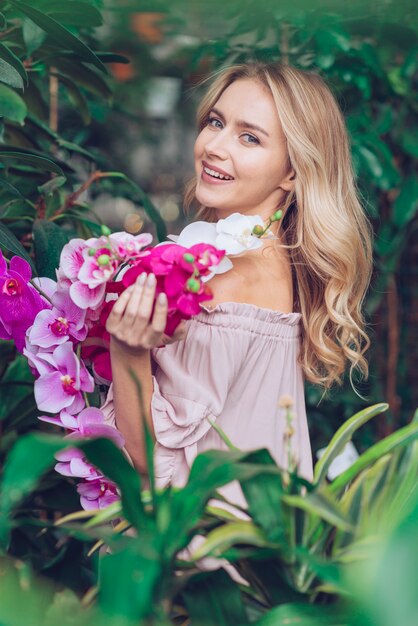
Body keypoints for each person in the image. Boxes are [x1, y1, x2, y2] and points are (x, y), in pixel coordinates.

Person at [101, 62, 373, 508]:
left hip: (201, 553)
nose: (215, 147)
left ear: (292, 172)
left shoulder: (229, 280)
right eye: (216, 122)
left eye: (250, 137)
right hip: (254, 541)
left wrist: (127, 349)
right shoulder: (272, 261)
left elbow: (151, 462)